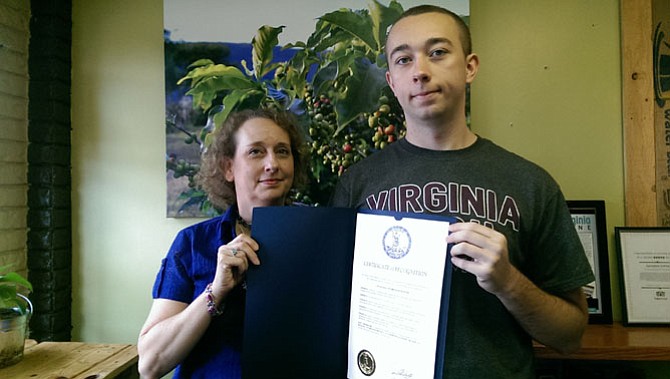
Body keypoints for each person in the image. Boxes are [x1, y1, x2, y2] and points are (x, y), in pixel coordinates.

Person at [330, 5, 595, 378]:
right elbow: (334, 313)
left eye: (437, 52)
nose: (420, 71)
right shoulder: (356, 183)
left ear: (470, 66)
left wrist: (507, 281)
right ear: (392, 81)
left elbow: (569, 335)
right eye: (404, 60)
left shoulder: (531, 184)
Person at [137, 108, 309, 379]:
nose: (272, 163)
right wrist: (215, 292)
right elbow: (149, 364)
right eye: (256, 152)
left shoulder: (319, 238)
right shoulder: (192, 244)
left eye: (282, 151)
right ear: (229, 168)